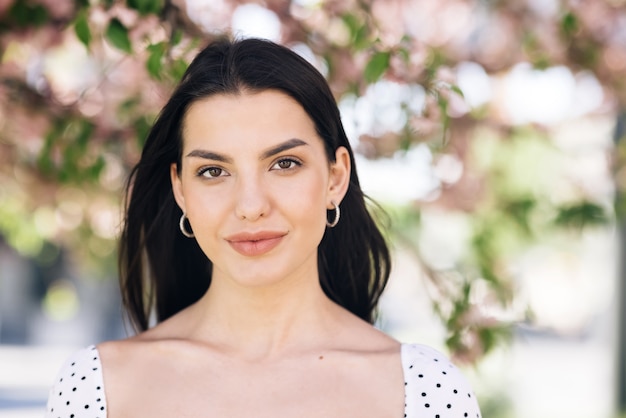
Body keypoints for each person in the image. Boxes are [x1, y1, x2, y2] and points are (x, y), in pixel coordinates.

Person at [45, 37, 482, 418]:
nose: (251, 206)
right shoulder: (97, 387)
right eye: (214, 171)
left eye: (284, 163)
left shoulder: (423, 390)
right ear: (180, 190)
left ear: (335, 178)